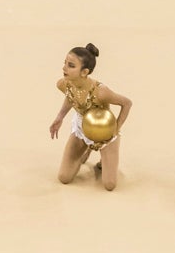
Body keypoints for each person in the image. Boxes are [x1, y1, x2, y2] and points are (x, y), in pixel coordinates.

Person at [48, 43, 132, 191]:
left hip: (104, 131)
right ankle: (86, 147)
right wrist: (59, 117)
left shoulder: (101, 92)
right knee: (64, 178)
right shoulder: (63, 84)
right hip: (82, 128)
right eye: (65, 63)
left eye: (71, 65)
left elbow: (127, 103)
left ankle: (104, 155)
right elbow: (71, 97)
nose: (64, 68)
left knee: (109, 185)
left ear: (84, 72)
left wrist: (115, 130)